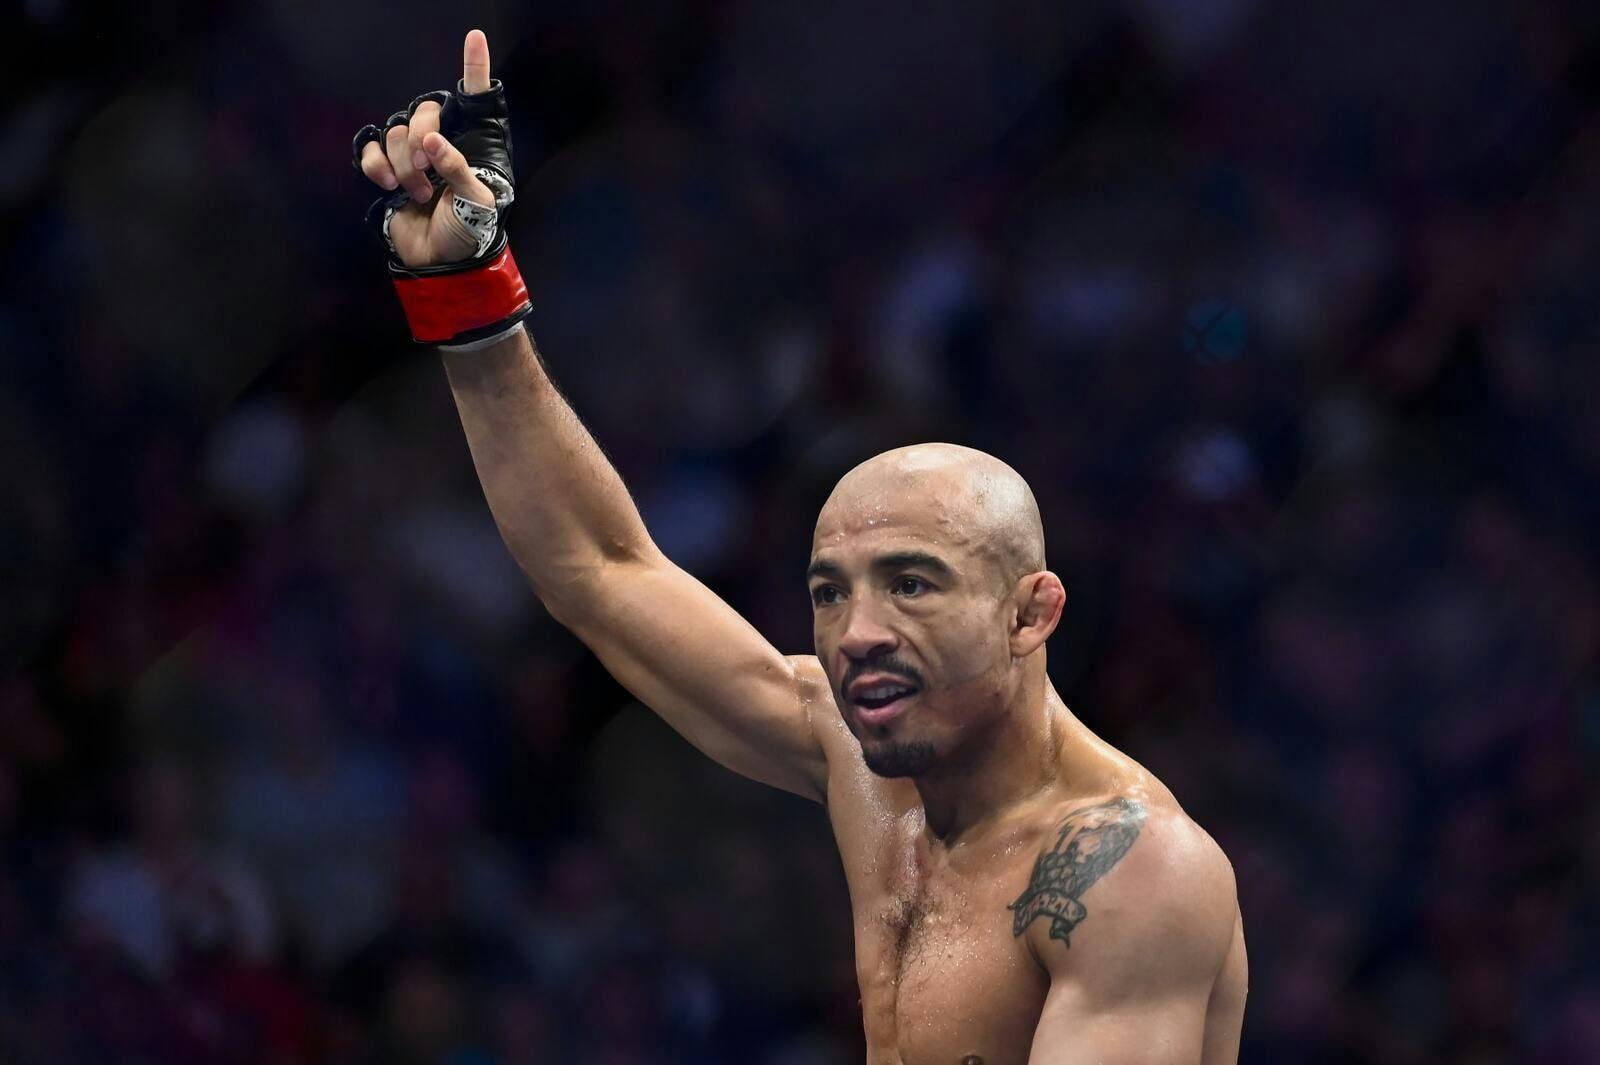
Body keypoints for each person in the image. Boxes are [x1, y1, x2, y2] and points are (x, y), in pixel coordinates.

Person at [353, 29, 1247, 1064]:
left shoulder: (1131, 873)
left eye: (912, 584)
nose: (858, 632)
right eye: (830, 592)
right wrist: (470, 293)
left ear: (1030, 612)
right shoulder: (861, 758)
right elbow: (599, 570)